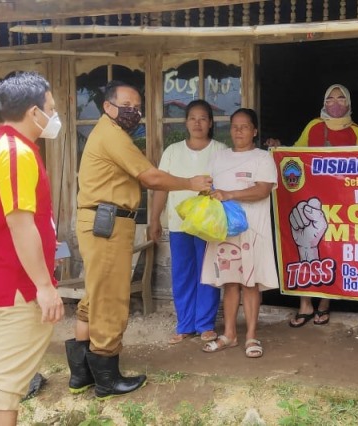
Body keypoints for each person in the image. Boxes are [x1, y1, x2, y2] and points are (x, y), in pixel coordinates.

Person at [69, 80, 212, 399]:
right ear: (108, 107)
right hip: (106, 224)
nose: (134, 113)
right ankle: (106, 379)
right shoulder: (111, 135)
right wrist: (190, 182)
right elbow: (150, 177)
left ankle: (81, 374)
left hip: (100, 221)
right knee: (110, 298)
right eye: (127, 106)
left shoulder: (110, 133)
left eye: (137, 107)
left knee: (95, 296)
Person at [0, 71, 65, 426]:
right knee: (4, 393)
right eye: (51, 108)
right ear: (33, 111)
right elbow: (20, 222)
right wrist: (44, 285)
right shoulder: (16, 153)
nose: (53, 116)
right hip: (19, 288)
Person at [267, 84, 358, 327]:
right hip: (310, 198)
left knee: (332, 249)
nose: (336, 102)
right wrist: (278, 149)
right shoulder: (313, 126)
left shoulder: (356, 132)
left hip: (339, 201)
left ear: (349, 103)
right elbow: (295, 153)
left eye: (341, 98)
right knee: (304, 246)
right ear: (324, 103)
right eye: (330, 98)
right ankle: (305, 304)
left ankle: (324, 304)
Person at [201, 108, 278, 359]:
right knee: (229, 282)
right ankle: (230, 334)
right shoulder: (219, 158)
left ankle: (252, 335)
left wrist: (230, 194)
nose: (239, 131)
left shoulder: (262, 158)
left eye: (245, 126)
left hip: (252, 229)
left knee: (250, 283)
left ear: (254, 131)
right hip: (224, 229)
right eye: (234, 126)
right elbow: (209, 187)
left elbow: (263, 190)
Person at [149, 100, 227, 345]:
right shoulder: (172, 151)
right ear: (186, 122)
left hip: (208, 227)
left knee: (207, 275)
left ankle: (205, 325)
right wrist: (154, 219)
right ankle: (184, 325)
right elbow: (161, 188)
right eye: (192, 118)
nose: (197, 123)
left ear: (211, 123)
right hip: (179, 224)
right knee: (182, 274)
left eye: (203, 118)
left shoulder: (220, 150)